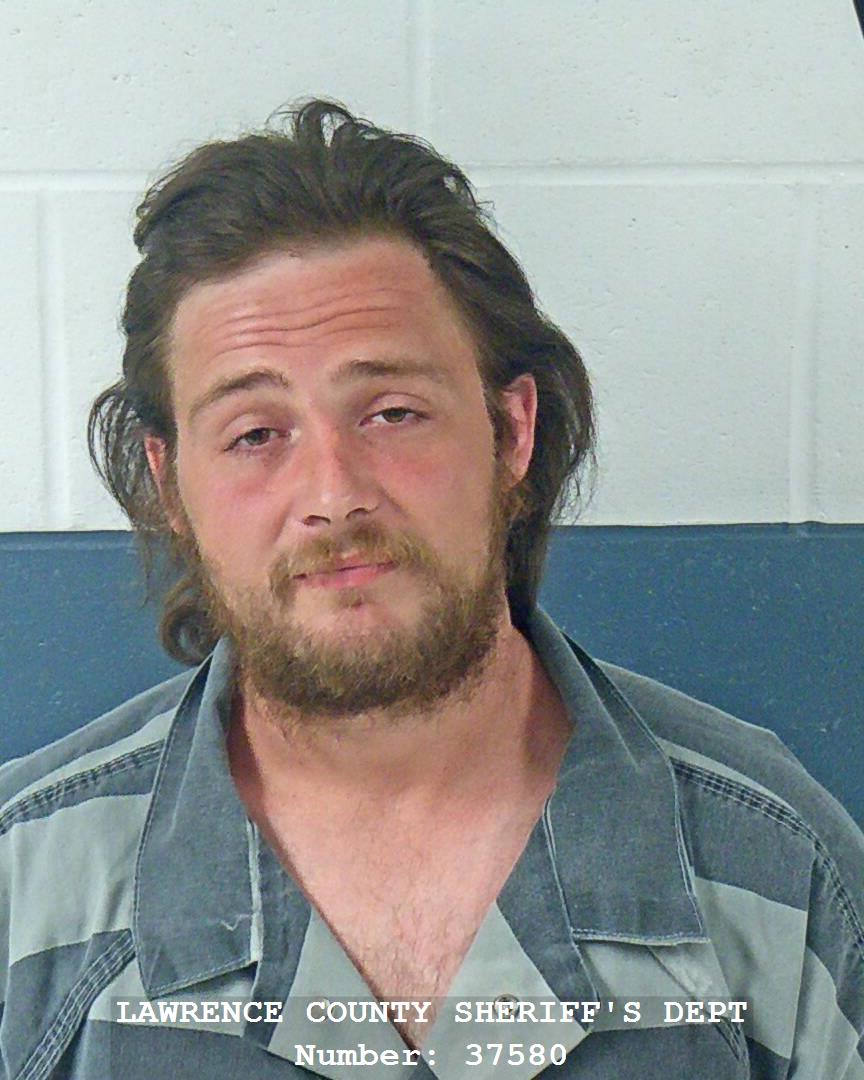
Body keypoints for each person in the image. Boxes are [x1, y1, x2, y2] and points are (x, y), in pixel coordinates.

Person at [0, 99, 861, 1079]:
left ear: (512, 432)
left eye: (393, 412)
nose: (333, 494)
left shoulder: (776, 872)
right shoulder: (26, 892)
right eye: (255, 434)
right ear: (171, 487)